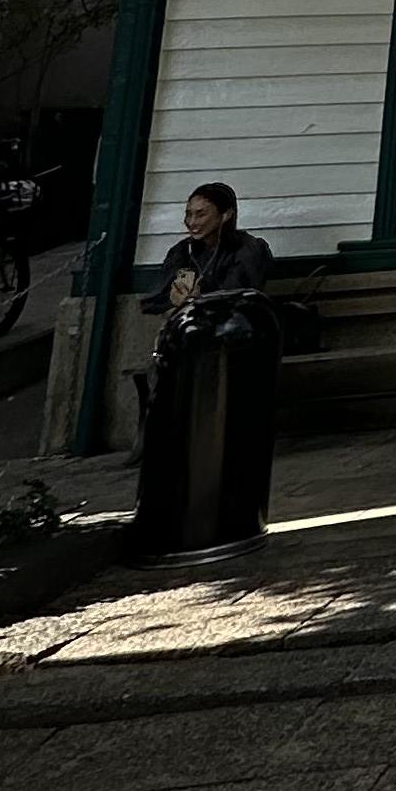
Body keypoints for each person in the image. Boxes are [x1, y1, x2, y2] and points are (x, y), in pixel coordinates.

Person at [130, 183, 281, 553]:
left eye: (201, 214)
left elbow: (241, 291)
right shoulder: (182, 252)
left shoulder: (247, 248)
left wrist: (201, 294)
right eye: (188, 214)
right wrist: (172, 298)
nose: (192, 222)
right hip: (189, 339)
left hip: (233, 341)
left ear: (225, 215)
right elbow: (156, 297)